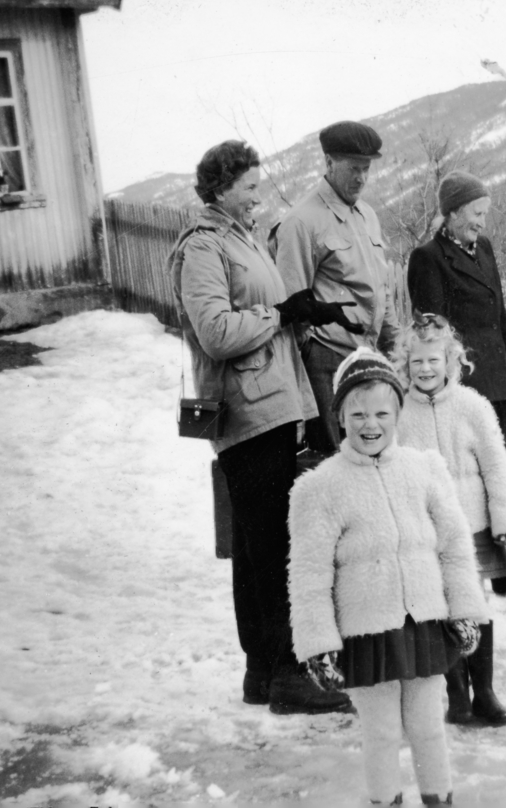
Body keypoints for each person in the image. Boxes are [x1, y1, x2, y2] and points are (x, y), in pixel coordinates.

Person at [168, 139, 362, 715]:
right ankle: (287, 676)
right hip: (248, 410)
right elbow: (216, 332)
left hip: (272, 403)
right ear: (221, 187)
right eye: (250, 186)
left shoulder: (240, 237)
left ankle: (261, 673)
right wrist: (278, 314)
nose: (258, 195)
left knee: (256, 549)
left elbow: (260, 311)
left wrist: (298, 310)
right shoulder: (204, 247)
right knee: (273, 546)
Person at [287, 348, 489, 806]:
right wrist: (319, 644)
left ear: (398, 412)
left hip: (424, 624)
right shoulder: (319, 488)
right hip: (365, 634)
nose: (370, 424)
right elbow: (309, 575)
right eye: (357, 414)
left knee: (427, 728)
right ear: (340, 417)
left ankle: (439, 800)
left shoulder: (424, 470)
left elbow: (455, 546)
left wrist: (465, 609)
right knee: (380, 733)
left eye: (381, 412)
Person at [407, 170, 506, 598]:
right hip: (465, 383)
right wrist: (449, 380)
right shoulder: (427, 258)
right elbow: (434, 331)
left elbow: (500, 318)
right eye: (476, 212)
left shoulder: (483, 249)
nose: (483, 222)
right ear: (452, 212)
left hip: (497, 379)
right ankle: (470, 568)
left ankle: (505, 566)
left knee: (502, 477)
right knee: (470, 480)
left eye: (485, 213)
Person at [393, 315, 506, 727]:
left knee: (474, 605)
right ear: (405, 365)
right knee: (440, 609)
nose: (426, 369)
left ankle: (484, 692)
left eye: (434, 360)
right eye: (417, 363)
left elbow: (497, 464)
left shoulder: (473, 406)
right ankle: (456, 696)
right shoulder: (397, 412)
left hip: (473, 527)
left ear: (451, 361)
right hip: (428, 531)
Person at [270, 120, 401, 455]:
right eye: (353, 168)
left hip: (367, 357)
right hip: (326, 360)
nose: (361, 178)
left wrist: (395, 344)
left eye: (366, 169)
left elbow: (380, 287)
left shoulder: (367, 215)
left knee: (371, 456)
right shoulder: (302, 221)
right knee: (335, 461)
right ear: (328, 163)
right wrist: (305, 373)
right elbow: (291, 307)